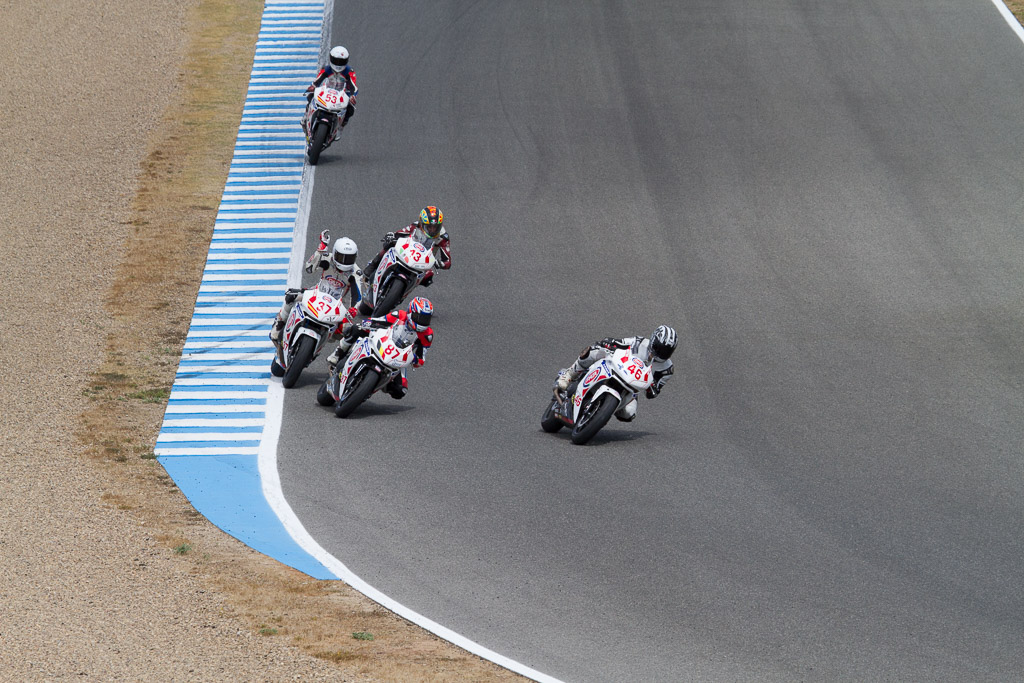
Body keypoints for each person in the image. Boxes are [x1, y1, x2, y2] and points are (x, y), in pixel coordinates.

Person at [555, 325, 677, 422]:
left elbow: (653, 393)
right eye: (659, 348)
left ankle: (601, 411)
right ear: (653, 340)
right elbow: (621, 343)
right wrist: (611, 343)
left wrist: (652, 387)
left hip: (631, 388)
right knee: (594, 351)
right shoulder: (639, 342)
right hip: (616, 369)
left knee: (629, 414)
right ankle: (570, 374)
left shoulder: (667, 370)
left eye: (666, 351)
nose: (661, 353)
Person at [326, 297, 434, 399]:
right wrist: (368, 323)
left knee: (400, 391)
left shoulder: (427, 335)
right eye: (420, 318)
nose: (423, 322)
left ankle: (372, 386)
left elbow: (421, 358)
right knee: (356, 329)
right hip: (384, 341)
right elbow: (380, 320)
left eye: (426, 319)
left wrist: (414, 359)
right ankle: (338, 353)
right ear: (411, 312)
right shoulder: (400, 315)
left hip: (398, 358)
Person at [269, 230, 364, 346]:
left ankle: (338, 355)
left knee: (349, 330)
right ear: (334, 253)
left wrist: (353, 310)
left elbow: (357, 296)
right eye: (341, 257)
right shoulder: (327, 258)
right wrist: (320, 250)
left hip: (337, 304)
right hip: (316, 293)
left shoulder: (356, 273)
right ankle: (279, 323)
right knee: (291, 297)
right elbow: (309, 268)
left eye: (348, 258)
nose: (344, 262)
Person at [361, 206, 451, 291]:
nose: (432, 230)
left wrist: (440, 264)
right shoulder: (416, 225)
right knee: (391, 244)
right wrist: (391, 236)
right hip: (408, 251)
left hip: (424, 262)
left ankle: (403, 292)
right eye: (429, 227)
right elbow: (399, 233)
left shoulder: (443, 237)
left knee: (428, 277)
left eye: (435, 227)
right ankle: (372, 266)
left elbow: (448, 261)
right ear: (422, 223)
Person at [304, 45, 357, 128]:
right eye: (336, 61)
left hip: (341, 94)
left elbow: (353, 86)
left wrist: (353, 96)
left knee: (350, 109)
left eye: (341, 61)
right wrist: (312, 86)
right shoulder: (326, 69)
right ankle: (305, 117)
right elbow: (318, 80)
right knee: (310, 96)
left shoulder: (349, 72)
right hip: (326, 91)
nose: (338, 64)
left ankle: (341, 125)